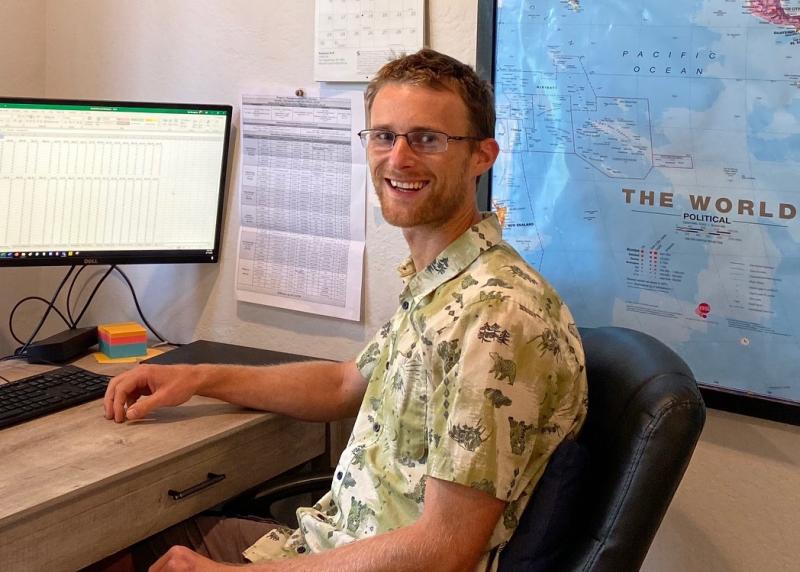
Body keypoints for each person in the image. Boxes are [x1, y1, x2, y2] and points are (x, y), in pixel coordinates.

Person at [102, 48, 588, 572]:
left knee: (108, 544)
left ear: (481, 156)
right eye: (383, 136)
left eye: (427, 139)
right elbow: (341, 384)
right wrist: (199, 377)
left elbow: (445, 550)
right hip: (332, 544)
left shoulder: (496, 316)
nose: (398, 159)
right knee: (126, 534)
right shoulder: (444, 285)